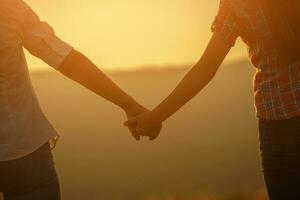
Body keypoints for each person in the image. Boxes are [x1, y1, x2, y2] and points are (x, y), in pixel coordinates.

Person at [125, 0, 300, 199]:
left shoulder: (237, 4)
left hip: (275, 125)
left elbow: (206, 67)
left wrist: (155, 117)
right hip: (276, 126)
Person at [0, 0, 159, 199]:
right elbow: (66, 60)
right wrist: (129, 104)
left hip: (26, 157)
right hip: (25, 154)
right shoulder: (7, 8)